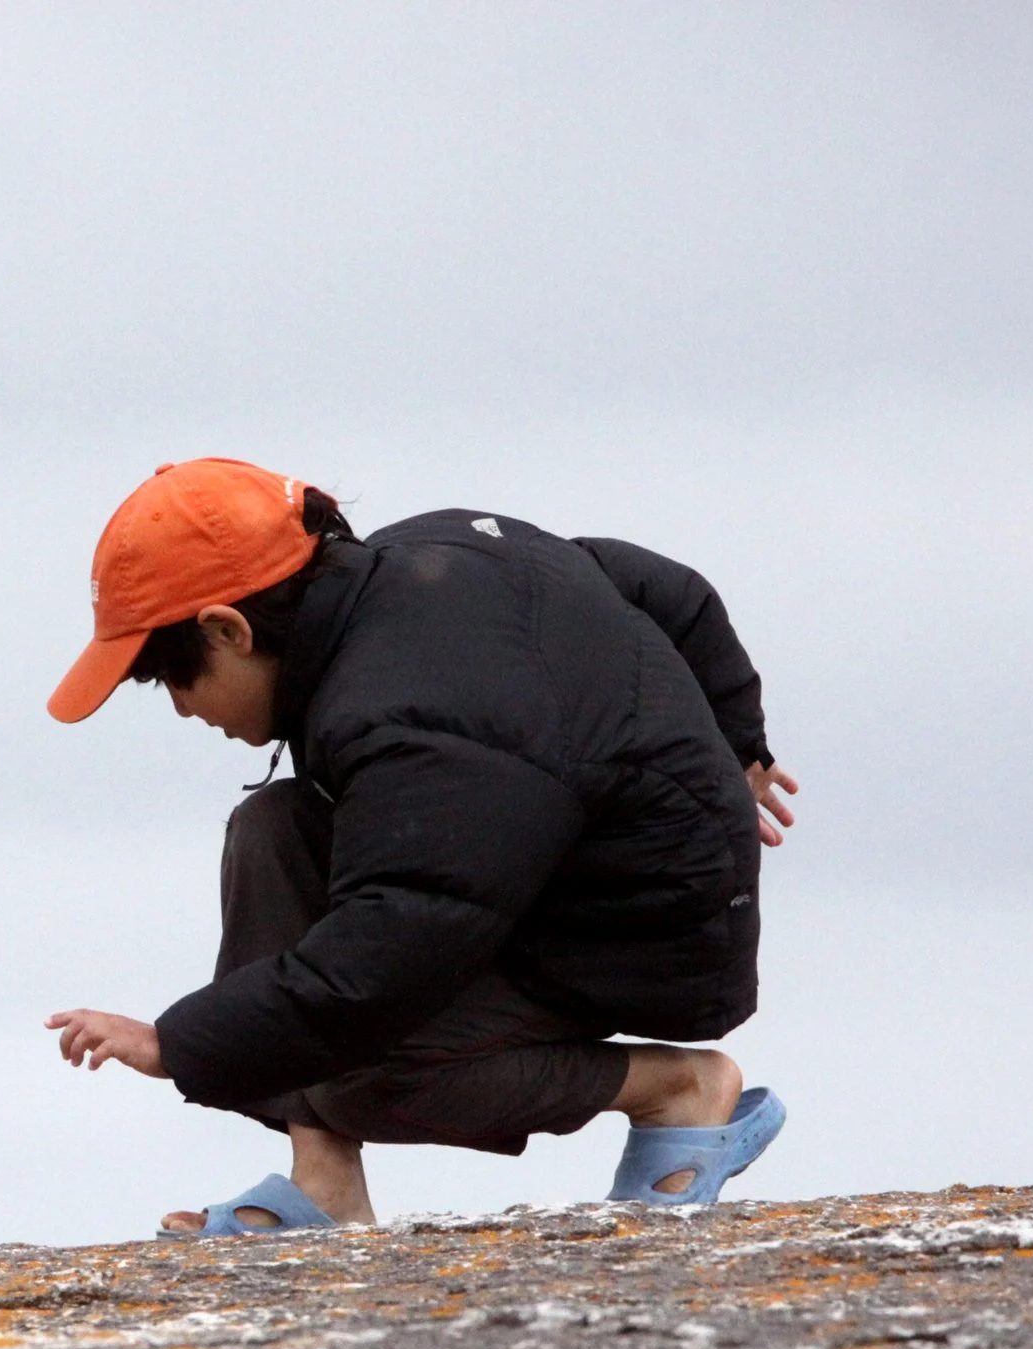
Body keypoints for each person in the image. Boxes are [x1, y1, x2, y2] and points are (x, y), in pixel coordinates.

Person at [42, 458, 796, 1238]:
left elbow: (378, 968)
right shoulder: (416, 559)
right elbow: (663, 587)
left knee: (363, 1070)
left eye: (171, 679)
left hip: (645, 925)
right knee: (274, 828)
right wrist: (742, 743)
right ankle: (325, 1187)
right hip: (548, 870)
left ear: (227, 629)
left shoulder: (405, 719)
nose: (180, 709)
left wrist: (174, 1044)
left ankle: (677, 1089)